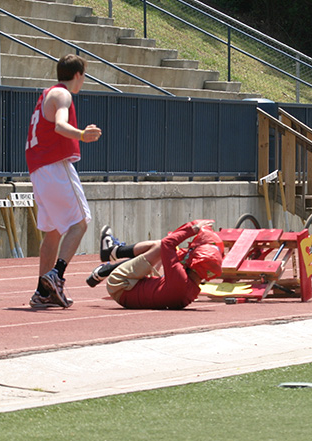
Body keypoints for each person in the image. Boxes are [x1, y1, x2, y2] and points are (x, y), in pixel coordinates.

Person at [25, 54, 102, 309]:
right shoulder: (62, 95)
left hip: (38, 170)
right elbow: (59, 125)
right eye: (84, 77)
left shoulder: (46, 94)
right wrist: (81, 134)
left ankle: (42, 292)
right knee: (80, 222)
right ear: (78, 75)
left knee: (53, 233)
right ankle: (56, 275)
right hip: (55, 166)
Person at [86, 220, 224, 310]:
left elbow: (167, 243)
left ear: (196, 263)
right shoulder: (192, 289)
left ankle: (111, 257)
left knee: (159, 246)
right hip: (132, 291)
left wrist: (192, 229)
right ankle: (108, 260)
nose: (188, 252)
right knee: (160, 252)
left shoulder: (180, 278)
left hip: (121, 285)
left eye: (192, 252)